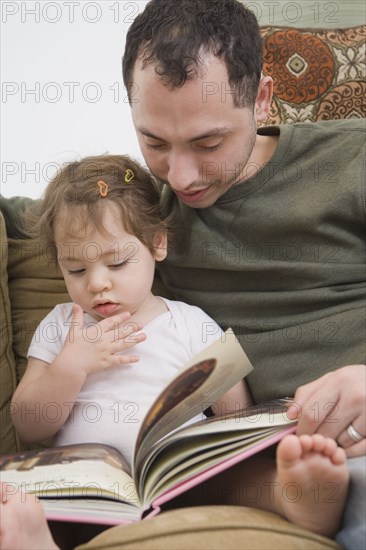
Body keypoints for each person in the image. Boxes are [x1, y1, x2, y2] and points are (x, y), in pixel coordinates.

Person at [1, 152, 350, 549]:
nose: (97, 283)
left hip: (180, 476)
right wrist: (71, 366)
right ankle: (33, 538)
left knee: (235, 480)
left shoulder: (188, 322)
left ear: (157, 244)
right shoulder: (63, 325)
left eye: (117, 263)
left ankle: (295, 495)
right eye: (76, 270)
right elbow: (29, 424)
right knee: (46, 510)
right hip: (87, 493)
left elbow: (234, 416)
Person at [121, 0, 365, 548]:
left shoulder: (352, 162)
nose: (180, 177)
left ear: (261, 98)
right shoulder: (142, 219)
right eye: (155, 142)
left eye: (208, 143)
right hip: (273, 456)